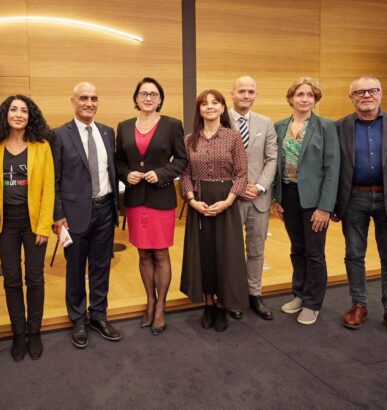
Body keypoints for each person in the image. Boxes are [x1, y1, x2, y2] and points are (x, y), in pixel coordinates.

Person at [333, 76, 387, 340]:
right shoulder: (339, 127)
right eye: (360, 92)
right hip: (354, 198)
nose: (366, 95)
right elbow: (332, 169)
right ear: (351, 97)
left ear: (381, 94)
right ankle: (359, 305)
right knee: (354, 254)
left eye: (372, 90)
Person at [51, 82, 121, 348]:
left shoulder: (107, 132)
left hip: (105, 209)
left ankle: (99, 316)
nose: (89, 103)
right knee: (76, 268)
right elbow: (54, 179)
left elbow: (110, 171)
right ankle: (78, 319)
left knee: (102, 265)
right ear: (73, 101)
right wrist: (58, 217)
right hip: (73, 214)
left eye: (93, 98)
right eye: (83, 98)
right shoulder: (59, 135)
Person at [116, 77, 187, 335]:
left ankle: (161, 307)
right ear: (136, 98)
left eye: (153, 94)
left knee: (160, 254)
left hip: (161, 198)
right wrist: (126, 175)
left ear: (160, 99)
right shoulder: (123, 127)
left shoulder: (172, 125)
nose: (148, 98)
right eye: (143, 93)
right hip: (135, 200)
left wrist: (164, 173)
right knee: (143, 253)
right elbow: (118, 162)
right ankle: (150, 301)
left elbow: (182, 159)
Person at [0, 95, 54, 360]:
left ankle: (34, 332)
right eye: (13, 109)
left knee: (35, 277)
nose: (18, 114)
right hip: (5, 224)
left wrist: (43, 227)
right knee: (12, 279)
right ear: (5, 114)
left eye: (24, 110)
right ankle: (18, 333)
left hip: (33, 221)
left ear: (31, 116)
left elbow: (49, 188)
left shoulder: (42, 146)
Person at [272, 77, 340, 326]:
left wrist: (325, 207)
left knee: (314, 252)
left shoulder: (326, 127)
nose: (305, 99)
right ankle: (299, 294)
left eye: (310, 95)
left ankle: (313, 302)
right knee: (296, 248)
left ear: (315, 99)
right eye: (300, 94)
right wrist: (276, 198)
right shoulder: (279, 126)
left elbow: (333, 169)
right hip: (288, 196)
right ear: (291, 98)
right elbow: (275, 165)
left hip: (315, 200)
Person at [180, 89, 249, 332]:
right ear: (199, 110)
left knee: (225, 255)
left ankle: (222, 306)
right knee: (204, 255)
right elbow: (185, 174)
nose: (210, 107)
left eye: (215, 103)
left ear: (222, 108)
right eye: (204, 104)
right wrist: (191, 200)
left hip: (225, 201)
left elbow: (241, 174)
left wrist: (229, 201)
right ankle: (208, 304)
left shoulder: (233, 137)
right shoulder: (190, 140)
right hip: (199, 202)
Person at [229, 76, 278, 321]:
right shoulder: (220, 120)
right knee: (233, 250)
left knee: (257, 250)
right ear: (232, 94)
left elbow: (272, 159)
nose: (246, 95)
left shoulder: (265, 123)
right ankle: (234, 296)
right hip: (231, 199)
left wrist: (259, 186)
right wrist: (238, 188)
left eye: (251, 91)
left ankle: (254, 294)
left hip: (259, 199)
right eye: (241, 91)